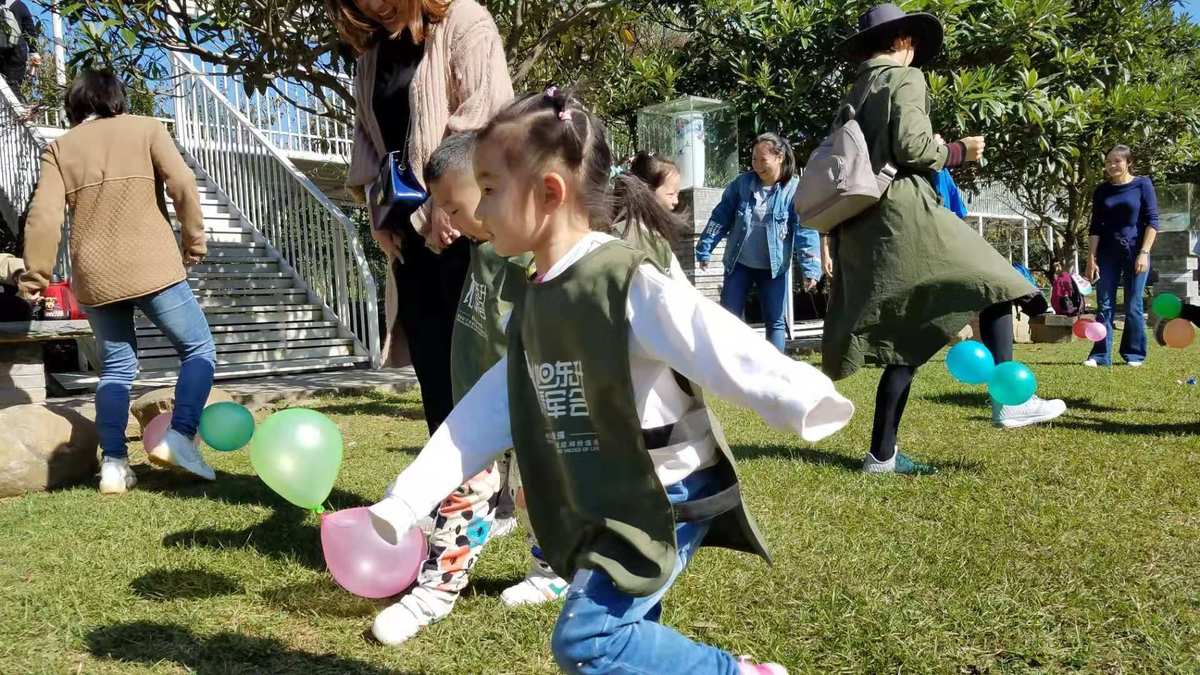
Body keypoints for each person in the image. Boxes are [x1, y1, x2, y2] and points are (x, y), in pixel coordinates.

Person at [366, 88, 856, 675]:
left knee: (590, 642)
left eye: (491, 190)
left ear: (549, 193)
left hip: (665, 495)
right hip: (608, 494)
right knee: (627, 631)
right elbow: (489, 406)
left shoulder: (619, 280)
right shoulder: (535, 299)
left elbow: (712, 338)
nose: (479, 210)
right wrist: (408, 495)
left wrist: (803, 397)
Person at [825, 4, 1067, 474]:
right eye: (912, 42)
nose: (914, 51)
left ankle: (882, 456)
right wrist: (959, 150)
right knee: (998, 280)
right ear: (901, 42)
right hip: (907, 216)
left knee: (910, 339)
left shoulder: (856, 91)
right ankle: (1010, 403)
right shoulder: (904, 80)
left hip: (865, 223)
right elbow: (914, 147)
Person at [370, 132, 567, 647]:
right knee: (464, 497)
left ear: (494, 188)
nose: (447, 219)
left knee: (537, 496)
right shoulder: (479, 246)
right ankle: (436, 589)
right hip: (477, 409)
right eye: (443, 208)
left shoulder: (538, 255)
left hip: (536, 406)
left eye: (455, 206)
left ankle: (551, 574)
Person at [20, 69, 216, 493]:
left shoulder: (60, 149)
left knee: (117, 368)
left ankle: (113, 464)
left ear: (75, 106)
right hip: (153, 264)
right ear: (117, 99)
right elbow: (182, 183)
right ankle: (180, 435)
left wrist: (35, 275)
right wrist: (193, 242)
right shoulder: (147, 128)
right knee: (199, 348)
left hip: (95, 274)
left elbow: (44, 217)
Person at [328, 0, 514, 434]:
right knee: (433, 368)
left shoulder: (464, 21)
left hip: (465, 230)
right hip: (408, 239)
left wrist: (445, 205)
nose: (374, 5)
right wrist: (378, 215)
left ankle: (498, 490)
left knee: (481, 363)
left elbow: (486, 118)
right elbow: (367, 139)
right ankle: (454, 492)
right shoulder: (371, 56)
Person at [695, 133, 821, 351]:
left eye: (763, 160)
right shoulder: (741, 185)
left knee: (776, 322)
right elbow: (720, 216)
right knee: (728, 318)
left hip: (773, 269)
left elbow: (805, 230)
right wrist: (705, 248)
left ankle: (776, 372)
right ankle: (729, 365)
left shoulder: (794, 190)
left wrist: (811, 268)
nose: (757, 165)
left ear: (779, 157)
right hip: (739, 265)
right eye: (754, 159)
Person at [1083, 145, 1159, 367]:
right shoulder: (1102, 191)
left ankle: (1134, 354)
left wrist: (1144, 253)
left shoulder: (1142, 184)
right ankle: (1099, 355)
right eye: (1108, 162)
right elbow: (1095, 226)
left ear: (1128, 162)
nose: (1112, 165)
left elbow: (1153, 221)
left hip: (1136, 251)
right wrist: (1091, 258)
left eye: (1117, 161)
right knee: (1104, 304)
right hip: (1107, 253)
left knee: (1133, 304)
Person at [616, 151, 687, 276]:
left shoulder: (655, 234)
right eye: (671, 194)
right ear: (647, 191)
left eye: (677, 194)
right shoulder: (624, 236)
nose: (676, 201)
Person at [0, 0, 39, 98]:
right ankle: (18, 109)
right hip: (17, 51)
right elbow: (30, 31)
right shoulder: (19, 6)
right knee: (14, 87)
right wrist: (34, 52)